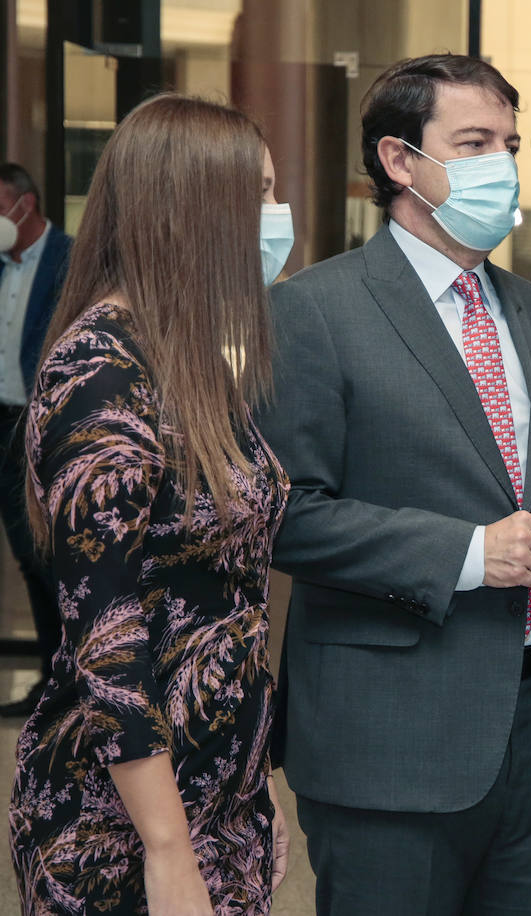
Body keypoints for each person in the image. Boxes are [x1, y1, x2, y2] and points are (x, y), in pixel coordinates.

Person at [255, 53, 531, 915]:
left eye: (511, 143)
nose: (504, 164)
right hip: (390, 738)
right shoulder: (313, 310)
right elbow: (285, 515)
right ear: (400, 161)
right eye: (476, 142)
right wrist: (469, 552)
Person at [8, 94, 292, 915]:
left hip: (217, 796)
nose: (277, 220)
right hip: (123, 822)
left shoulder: (188, 362)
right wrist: (168, 853)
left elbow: (230, 595)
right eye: (259, 196)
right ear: (189, 211)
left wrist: (253, 794)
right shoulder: (99, 371)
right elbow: (109, 640)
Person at [0, 163, 69, 717]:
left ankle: (67, 681)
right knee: (26, 557)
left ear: (26, 203)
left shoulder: (70, 258)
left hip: (41, 425)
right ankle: (52, 680)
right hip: (2, 422)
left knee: (47, 555)